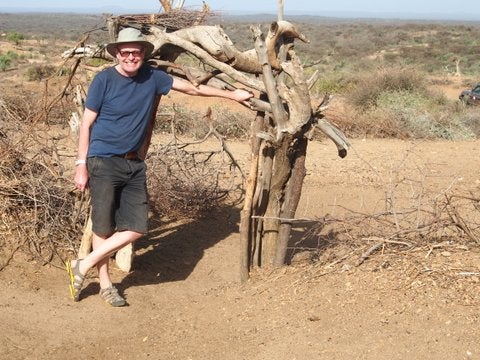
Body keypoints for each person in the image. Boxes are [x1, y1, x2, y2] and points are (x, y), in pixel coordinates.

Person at [67, 27, 252, 307]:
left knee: (137, 227)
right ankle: (105, 284)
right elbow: (87, 124)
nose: (130, 57)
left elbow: (192, 88)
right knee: (103, 226)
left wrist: (232, 95)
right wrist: (81, 165)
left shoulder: (153, 78)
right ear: (117, 53)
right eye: (125, 52)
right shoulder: (103, 79)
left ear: (143, 54)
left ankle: (82, 265)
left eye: (136, 52)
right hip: (102, 160)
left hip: (134, 163)